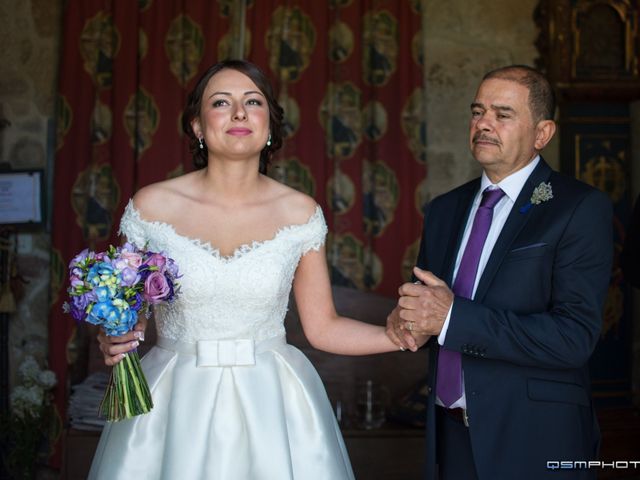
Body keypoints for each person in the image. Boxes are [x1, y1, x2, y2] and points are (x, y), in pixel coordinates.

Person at [89, 59, 404, 480]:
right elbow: (130, 320)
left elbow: (322, 327)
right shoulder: (151, 207)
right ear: (198, 126)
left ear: (268, 125)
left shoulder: (300, 213)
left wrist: (397, 335)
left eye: (252, 102)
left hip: (273, 401)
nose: (239, 112)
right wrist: (112, 336)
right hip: (173, 401)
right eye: (221, 102)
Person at [387, 65, 613, 480]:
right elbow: (432, 311)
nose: (483, 123)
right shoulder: (444, 210)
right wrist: (407, 320)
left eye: (502, 114)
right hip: (451, 437)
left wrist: (452, 318)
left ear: (542, 134)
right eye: (477, 112)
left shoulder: (579, 208)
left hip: (535, 439)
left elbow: (574, 338)